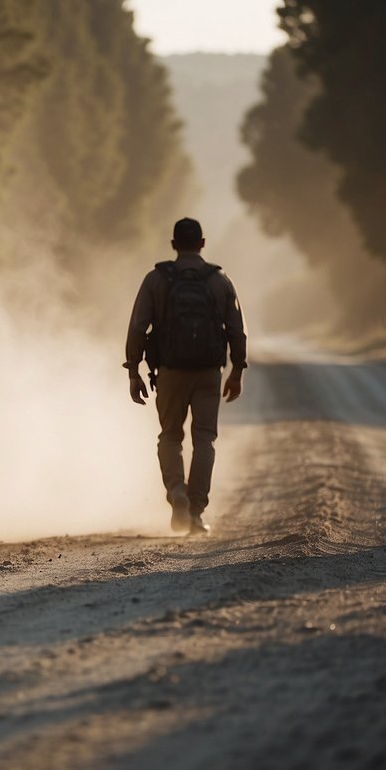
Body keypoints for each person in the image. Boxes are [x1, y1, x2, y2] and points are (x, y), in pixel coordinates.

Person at [124, 217, 247, 535]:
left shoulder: (156, 279)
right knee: (204, 439)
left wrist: (134, 370)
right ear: (203, 244)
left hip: (170, 372)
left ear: (174, 245)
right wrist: (237, 370)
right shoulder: (219, 280)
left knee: (170, 436)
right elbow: (236, 329)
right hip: (208, 372)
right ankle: (195, 510)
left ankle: (177, 493)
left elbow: (138, 326)